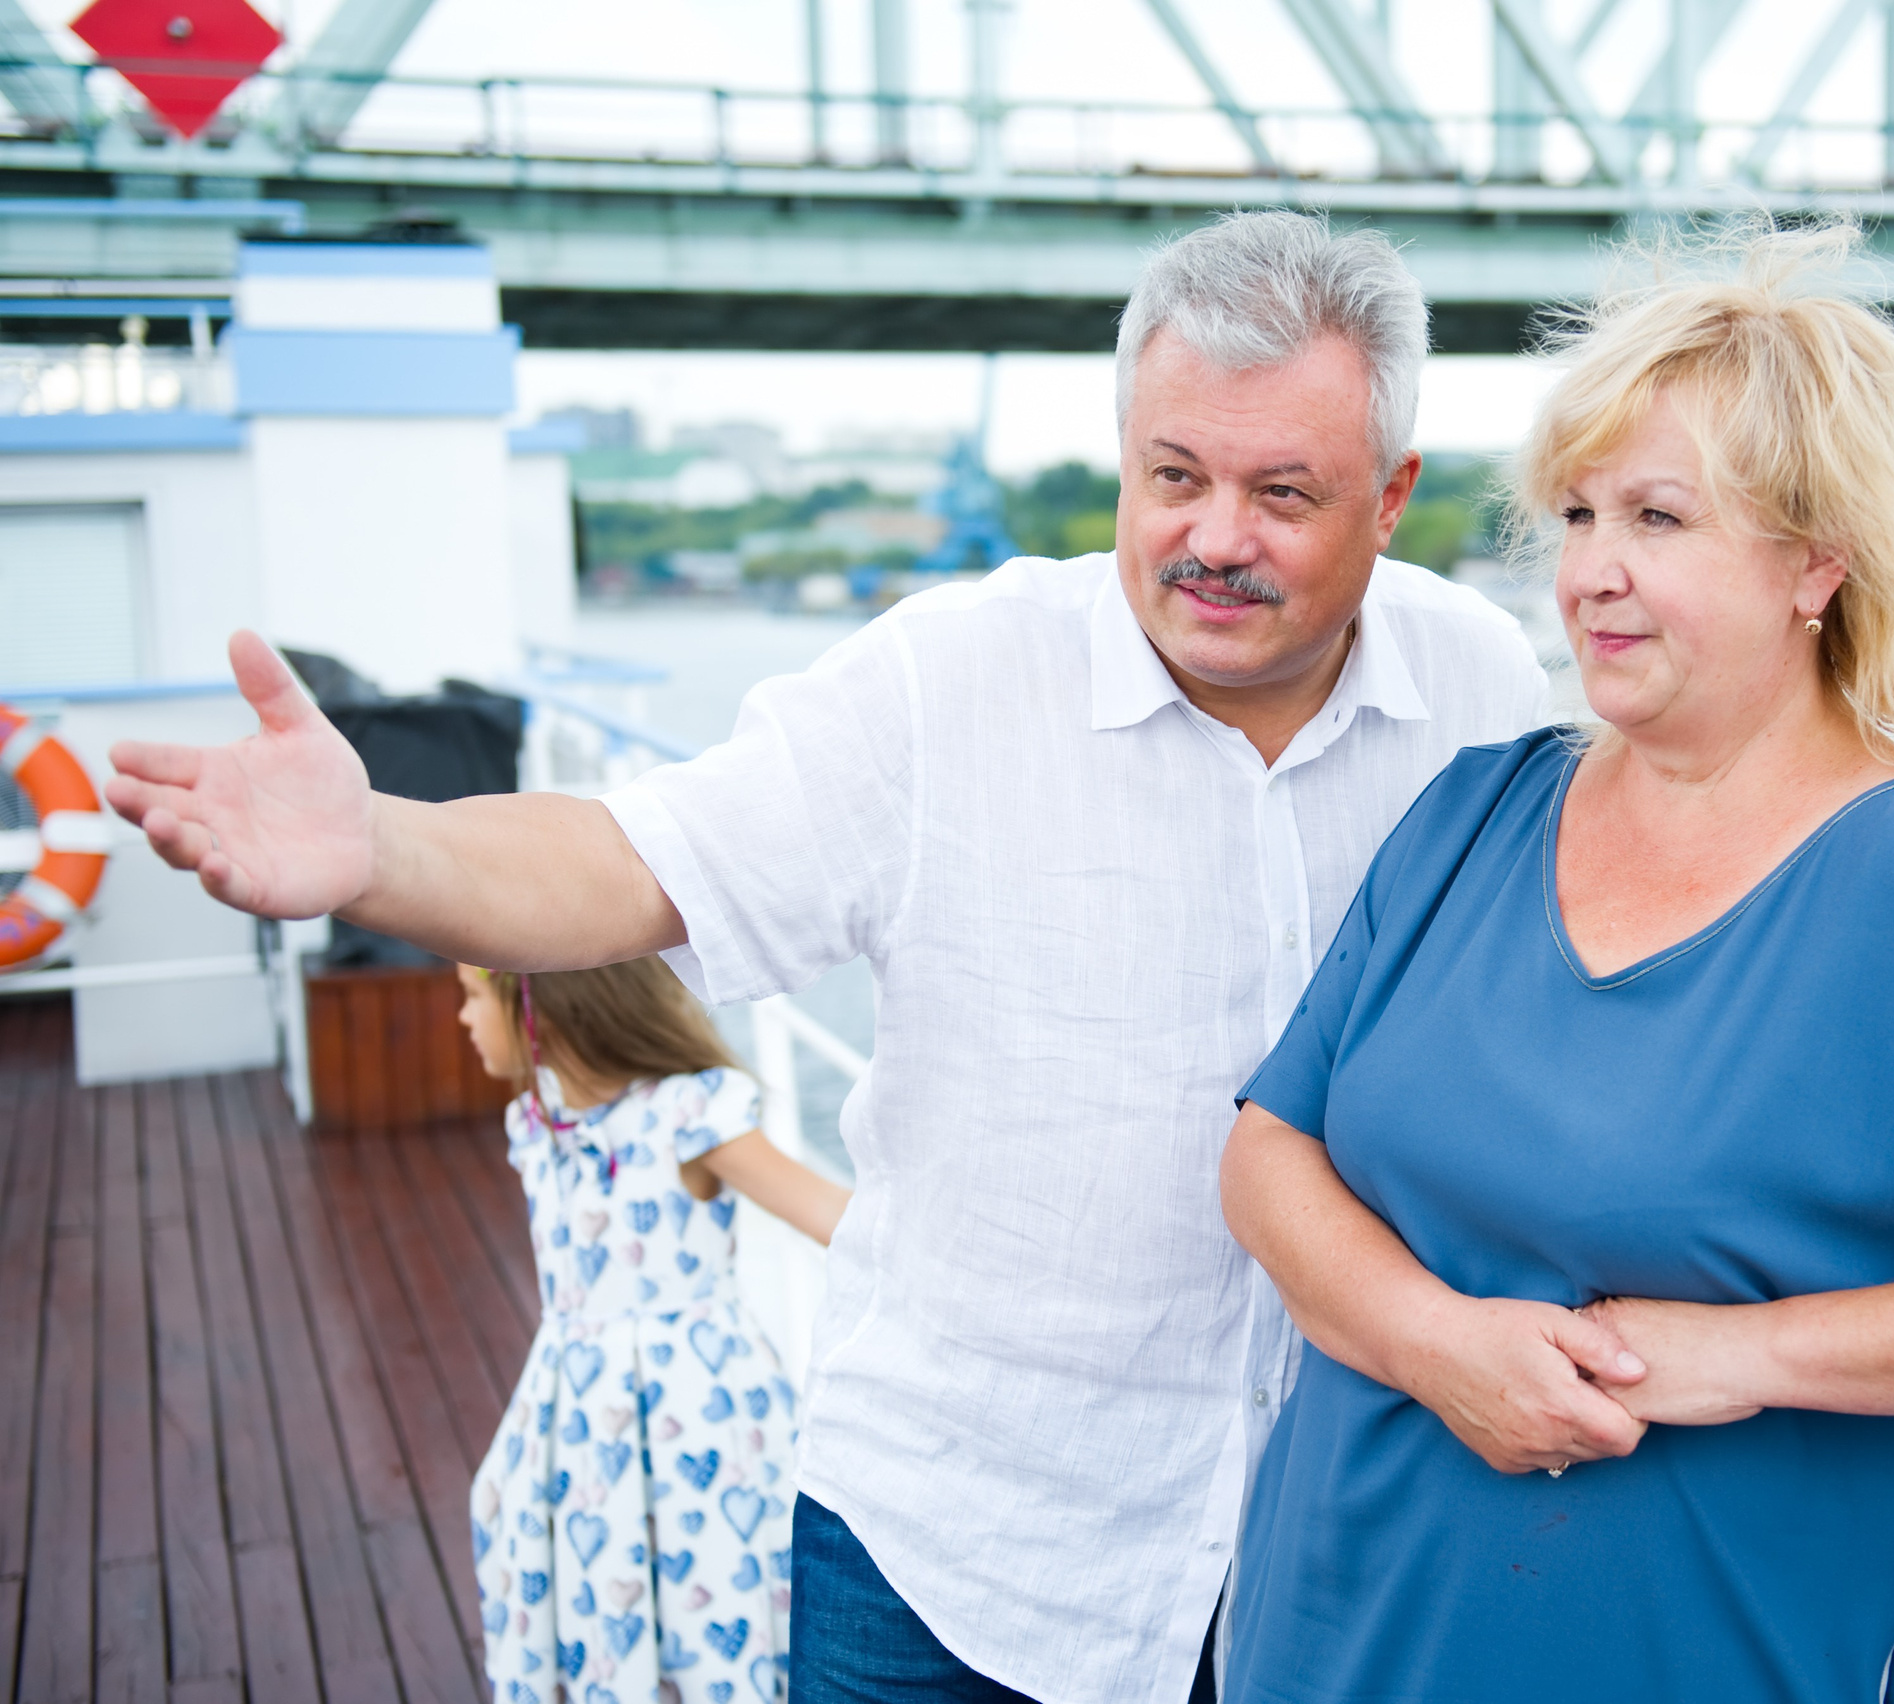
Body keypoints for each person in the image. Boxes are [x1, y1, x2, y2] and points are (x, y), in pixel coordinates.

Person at [102, 211, 1551, 1704]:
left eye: (1283, 493)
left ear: (1390, 500)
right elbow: (632, 861)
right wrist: (383, 852)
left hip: (1315, 1565)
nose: (1213, 538)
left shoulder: (1484, 691)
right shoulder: (947, 683)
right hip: (954, 1571)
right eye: (1174, 476)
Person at [1217, 221, 1894, 1704]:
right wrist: (1430, 1340)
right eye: (1578, 516)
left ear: (1814, 566)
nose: (1591, 571)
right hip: (1325, 1655)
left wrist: (1749, 1356)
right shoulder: (1474, 813)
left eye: (1658, 519)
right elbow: (1271, 1150)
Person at [454, 955, 851, 1704]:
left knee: (714, 1592)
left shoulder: (689, 1118)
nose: (464, 1021)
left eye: (473, 998)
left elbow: (836, 1219)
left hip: (697, 1415)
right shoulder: (540, 1127)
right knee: (608, 1599)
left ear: (538, 1006)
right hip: (581, 1422)